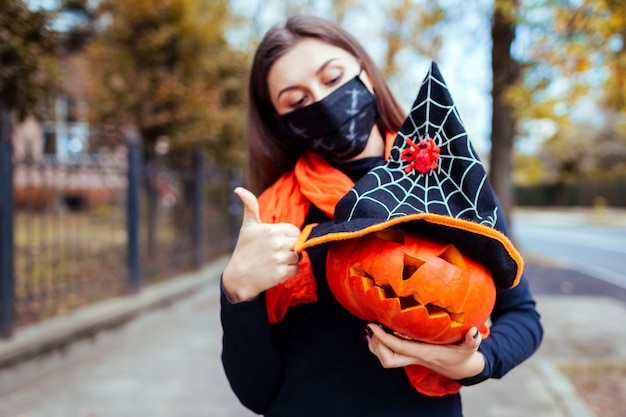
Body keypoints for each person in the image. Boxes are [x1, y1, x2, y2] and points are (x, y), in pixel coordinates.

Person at [220, 15, 543, 417]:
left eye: (333, 77)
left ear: (367, 74)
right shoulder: (273, 218)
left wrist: (475, 363)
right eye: (297, 101)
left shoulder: (450, 179)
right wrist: (236, 294)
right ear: (281, 124)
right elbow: (257, 392)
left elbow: (522, 316)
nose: (322, 101)